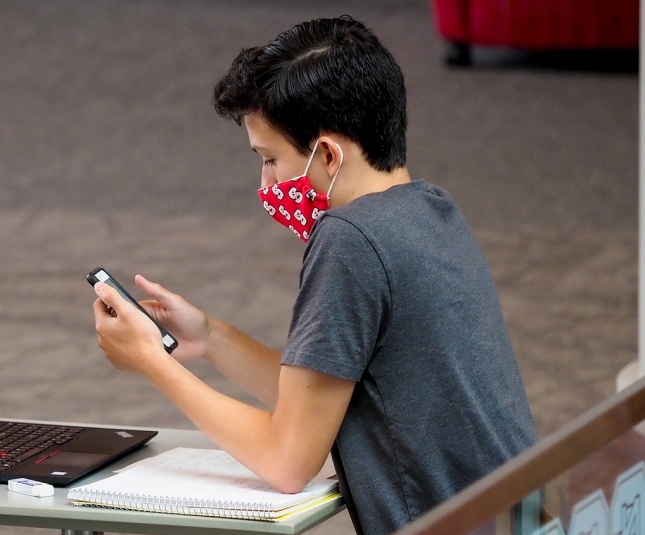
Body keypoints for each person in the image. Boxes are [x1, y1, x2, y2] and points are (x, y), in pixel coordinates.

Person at [91, 15, 537, 535]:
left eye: (270, 158)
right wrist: (209, 338)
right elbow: (324, 400)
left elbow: (287, 461)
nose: (267, 181)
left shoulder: (349, 239)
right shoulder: (428, 209)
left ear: (326, 153)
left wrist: (152, 362)